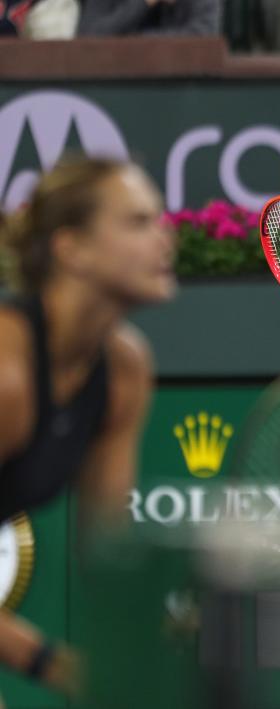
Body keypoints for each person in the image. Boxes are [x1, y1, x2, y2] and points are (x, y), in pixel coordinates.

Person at [0, 156, 176, 699]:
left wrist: (143, 647)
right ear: (70, 248)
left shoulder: (124, 370)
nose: (164, 238)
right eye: (137, 222)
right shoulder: (6, 373)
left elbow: (106, 555)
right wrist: (51, 662)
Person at [75, 0, 220, 36]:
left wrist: (137, 39)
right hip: (118, 82)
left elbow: (204, 33)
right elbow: (89, 35)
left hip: (184, 87)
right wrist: (144, 3)